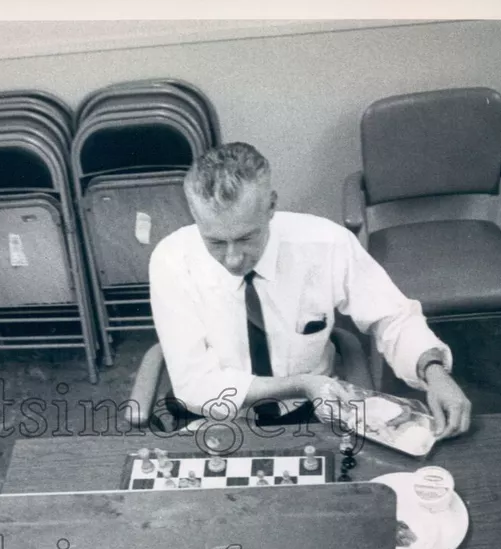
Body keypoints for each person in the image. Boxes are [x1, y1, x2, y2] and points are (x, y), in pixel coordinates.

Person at [149, 141, 472, 438]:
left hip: (310, 413)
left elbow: (393, 316)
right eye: (216, 242)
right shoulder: (171, 260)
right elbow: (195, 385)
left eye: (247, 238)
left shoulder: (326, 243)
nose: (233, 259)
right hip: (213, 417)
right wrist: (301, 384)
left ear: (271, 205)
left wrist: (434, 372)